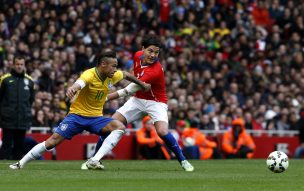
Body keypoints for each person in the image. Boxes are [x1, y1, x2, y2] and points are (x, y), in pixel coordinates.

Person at [9, 50, 150, 169]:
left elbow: (126, 74)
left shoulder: (113, 75)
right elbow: (80, 83)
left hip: (96, 118)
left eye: (116, 66)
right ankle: (20, 163)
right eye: (113, 66)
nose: (115, 69)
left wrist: (142, 84)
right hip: (77, 116)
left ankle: (94, 160)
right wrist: (72, 88)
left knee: (119, 127)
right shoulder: (89, 74)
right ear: (103, 65)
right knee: (52, 141)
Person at [82, 35, 194, 171]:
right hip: (138, 100)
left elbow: (129, 90)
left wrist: (106, 98)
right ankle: (94, 160)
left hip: (156, 102)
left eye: (156, 52)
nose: (153, 55)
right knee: (111, 124)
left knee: (162, 131)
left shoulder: (156, 70)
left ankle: (183, 160)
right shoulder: (137, 56)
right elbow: (135, 72)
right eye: (150, 51)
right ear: (143, 49)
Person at [0, 55, 35, 160]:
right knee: (6, 145)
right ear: (13, 65)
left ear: (24, 65)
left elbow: (31, 100)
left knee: (19, 146)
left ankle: (17, 168)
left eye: (21, 64)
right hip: (8, 119)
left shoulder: (29, 81)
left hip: (22, 119)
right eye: (17, 64)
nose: (19, 66)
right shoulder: (5, 79)